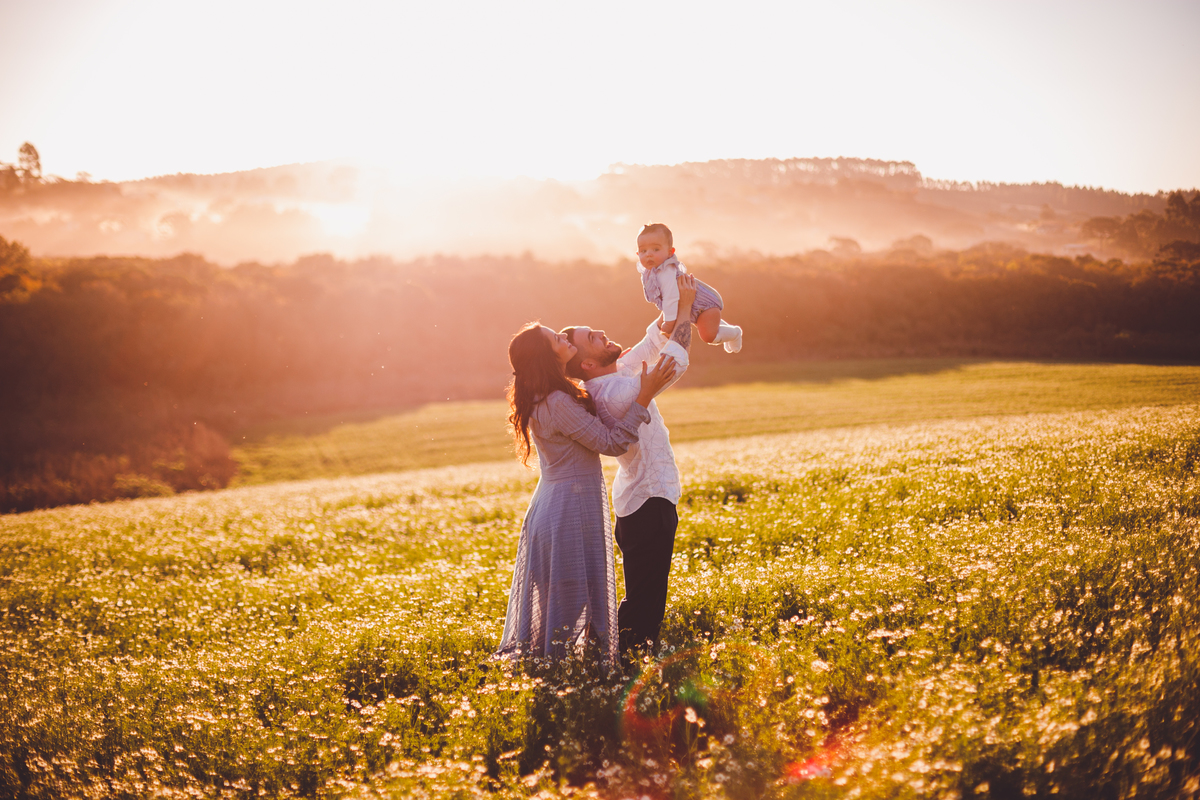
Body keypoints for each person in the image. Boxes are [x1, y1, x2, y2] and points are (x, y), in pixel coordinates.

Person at [495, 323, 679, 665]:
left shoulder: (555, 396)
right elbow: (611, 443)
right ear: (547, 356)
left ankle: (576, 665)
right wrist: (644, 395)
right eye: (557, 339)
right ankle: (566, 669)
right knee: (568, 597)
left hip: (564, 501)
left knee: (572, 595)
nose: (563, 338)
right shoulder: (557, 402)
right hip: (567, 507)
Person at [561, 274, 698, 662]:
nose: (602, 332)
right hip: (648, 502)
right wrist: (686, 309)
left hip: (640, 499)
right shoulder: (618, 392)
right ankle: (629, 666)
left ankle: (622, 659)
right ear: (588, 362)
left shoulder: (614, 375)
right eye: (593, 338)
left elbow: (654, 341)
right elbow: (674, 362)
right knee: (646, 598)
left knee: (645, 592)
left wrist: (674, 300)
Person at [636, 222, 742, 354]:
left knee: (708, 336)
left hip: (704, 305)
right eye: (643, 251)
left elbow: (671, 297)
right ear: (637, 253)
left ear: (670, 252)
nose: (648, 254)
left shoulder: (666, 271)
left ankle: (735, 333)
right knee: (707, 325)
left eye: (656, 249)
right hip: (694, 308)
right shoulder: (650, 272)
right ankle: (723, 327)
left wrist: (669, 323)